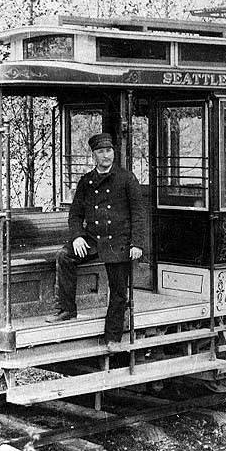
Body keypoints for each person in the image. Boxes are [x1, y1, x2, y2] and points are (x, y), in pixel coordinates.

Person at [46, 133, 147, 352]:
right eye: (101, 152)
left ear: (114, 152)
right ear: (93, 155)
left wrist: (137, 244)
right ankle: (67, 309)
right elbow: (74, 214)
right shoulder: (87, 180)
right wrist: (78, 236)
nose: (106, 156)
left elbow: (139, 213)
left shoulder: (126, 178)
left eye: (109, 151)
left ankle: (113, 337)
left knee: (118, 290)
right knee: (64, 256)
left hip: (119, 241)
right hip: (92, 239)